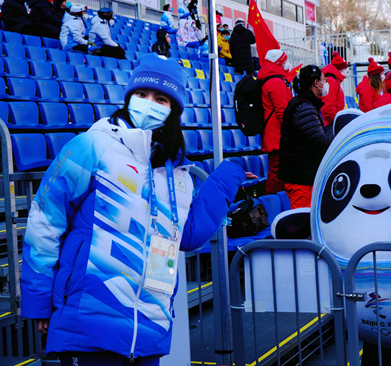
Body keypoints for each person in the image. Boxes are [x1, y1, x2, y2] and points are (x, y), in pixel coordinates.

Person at [21, 53, 247, 366]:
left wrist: (228, 175)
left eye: (161, 98)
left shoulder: (176, 173)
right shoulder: (92, 145)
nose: (149, 102)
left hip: (149, 328)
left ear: (174, 110)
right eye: (141, 94)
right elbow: (45, 223)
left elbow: (189, 233)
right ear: (129, 97)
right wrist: (39, 302)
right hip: (90, 321)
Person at [278, 65, 335, 209]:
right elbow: (321, 141)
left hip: (302, 172)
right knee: (301, 222)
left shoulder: (306, 104)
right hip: (301, 175)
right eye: (324, 80)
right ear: (316, 83)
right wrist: (336, 128)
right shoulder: (305, 107)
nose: (326, 83)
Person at [258, 49, 293, 195]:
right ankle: (271, 202)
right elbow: (282, 112)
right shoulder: (276, 82)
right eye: (284, 61)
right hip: (277, 136)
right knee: (276, 173)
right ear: (279, 63)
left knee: (278, 171)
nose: (287, 64)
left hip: (276, 134)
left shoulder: (273, 79)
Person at [320, 51, 347, 126]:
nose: (345, 71)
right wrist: (335, 122)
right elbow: (328, 106)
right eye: (344, 69)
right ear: (340, 69)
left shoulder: (334, 80)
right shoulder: (331, 81)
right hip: (330, 123)